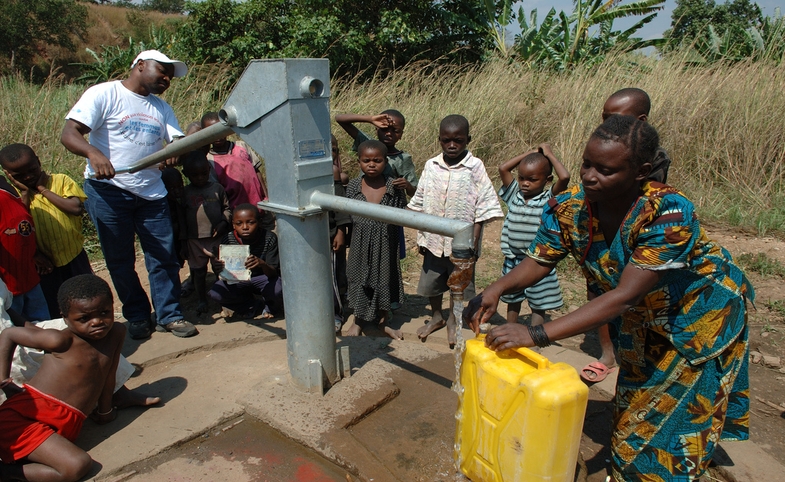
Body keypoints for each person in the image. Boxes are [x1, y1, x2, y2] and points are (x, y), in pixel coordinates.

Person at [465, 115, 752, 482]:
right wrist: (497, 287)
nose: (589, 176)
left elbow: (624, 297)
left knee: (668, 428)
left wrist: (535, 334)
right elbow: (540, 257)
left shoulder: (667, 213)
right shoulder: (572, 206)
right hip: (643, 321)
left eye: (605, 169)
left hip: (695, 323)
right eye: (586, 163)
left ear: (641, 171)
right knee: (635, 401)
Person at [60, 49, 197, 339]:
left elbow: (178, 142)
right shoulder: (103, 94)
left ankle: (168, 315)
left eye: (170, 77)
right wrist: (93, 153)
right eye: (161, 71)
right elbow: (69, 133)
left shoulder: (161, 108)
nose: (166, 79)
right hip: (108, 192)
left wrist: (173, 154)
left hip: (152, 194)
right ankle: (136, 315)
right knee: (120, 260)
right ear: (140, 65)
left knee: (163, 257)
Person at [582, 88, 674, 382]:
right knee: (599, 291)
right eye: (604, 117)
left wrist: (538, 334)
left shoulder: (661, 188)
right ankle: (608, 353)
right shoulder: (602, 151)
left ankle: (632, 358)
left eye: (615, 118)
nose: (607, 124)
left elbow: (641, 209)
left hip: (635, 244)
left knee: (626, 297)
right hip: (603, 241)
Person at [0, 275, 127, 481]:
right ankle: (5, 472)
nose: (97, 322)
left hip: (58, 424)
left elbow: (108, 374)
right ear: (65, 318)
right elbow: (9, 334)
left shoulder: (117, 332)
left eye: (104, 313)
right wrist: (3, 380)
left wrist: (105, 411)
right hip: (24, 419)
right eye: (84, 318)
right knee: (77, 465)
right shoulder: (60, 340)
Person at [408, 114, 503, 347]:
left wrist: (475, 240)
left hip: (462, 243)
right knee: (433, 282)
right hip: (433, 239)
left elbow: (483, 204)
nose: (452, 145)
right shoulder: (431, 165)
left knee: (458, 283)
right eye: (446, 140)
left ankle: (453, 319)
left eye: (458, 140)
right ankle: (437, 316)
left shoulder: (475, 166)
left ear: (467, 139)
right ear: (439, 140)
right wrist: (422, 236)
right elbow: (421, 199)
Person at [0, 144, 92, 319]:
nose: (28, 176)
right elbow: (22, 225)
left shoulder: (60, 181)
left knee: (85, 296)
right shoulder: (16, 197)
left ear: (38, 162)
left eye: (32, 170)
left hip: (73, 256)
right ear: (8, 174)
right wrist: (26, 194)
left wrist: (43, 190)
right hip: (44, 265)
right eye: (19, 176)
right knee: (54, 306)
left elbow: (75, 208)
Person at [497, 144, 569, 328]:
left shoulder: (549, 199)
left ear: (547, 180)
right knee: (513, 298)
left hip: (538, 262)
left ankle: (535, 336)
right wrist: (529, 153)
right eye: (521, 178)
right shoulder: (515, 194)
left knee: (539, 303)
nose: (525, 183)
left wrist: (549, 154)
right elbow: (503, 168)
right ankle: (510, 329)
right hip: (513, 260)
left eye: (532, 179)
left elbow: (565, 177)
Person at [344, 140, 407, 340]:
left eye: (377, 160)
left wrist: (409, 186)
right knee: (359, 276)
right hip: (359, 241)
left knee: (384, 277)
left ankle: (383, 321)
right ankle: (358, 320)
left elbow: (405, 211)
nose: (372, 164)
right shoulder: (354, 185)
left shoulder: (393, 186)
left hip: (385, 241)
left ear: (385, 161)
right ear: (359, 162)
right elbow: (346, 215)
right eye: (366, 160)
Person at [208, 204, 283, 319]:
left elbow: (274, 272)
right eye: (239, 223)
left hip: (262, 277)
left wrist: (262, 264)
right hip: (237, 279)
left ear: (259, 222)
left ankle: (269, 308)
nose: (245, 227)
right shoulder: (228, 239)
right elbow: (222, 274)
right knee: (216, 292)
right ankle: (251, 305)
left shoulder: (269, 238)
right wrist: (218, 267)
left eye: (251, 222)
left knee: (278, 288)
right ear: (233, 225)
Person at [181, 151, 231, 314]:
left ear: (209, 171)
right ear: (186, 174)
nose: (200, 178)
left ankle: (223, 298)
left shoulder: (217, 189)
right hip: (194, 240)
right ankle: (202, 299)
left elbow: (226, 208)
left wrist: (224, 222)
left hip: (217, 238)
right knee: (199, 272)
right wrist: (183, 241)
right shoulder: (185, 193)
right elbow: (181, 216)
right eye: (194, 175)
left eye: (204, 173)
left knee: (220, 269)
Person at [335, 110, 417, 196]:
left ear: (401, 134)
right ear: (376, 129)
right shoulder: (367, 145)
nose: (389, 133)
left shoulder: (403, 159)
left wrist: (407, 185)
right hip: (362, 198)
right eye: (384, 129)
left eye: (395, 131)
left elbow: (414, 192)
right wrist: (370, 119)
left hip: (389, 203)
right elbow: (339, 119)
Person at [0, 183, 49, 322]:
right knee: (15, 331)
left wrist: (33, 252)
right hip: (7, 286)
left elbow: (21, 227)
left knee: (43, 325)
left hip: (28, 277)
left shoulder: (7, 188)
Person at [201, 112, 267, 209]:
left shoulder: (241, 146)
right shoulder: (210, 160)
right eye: (212, 132)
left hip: (260, 206)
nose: (218, 136)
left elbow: (257, 172)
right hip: (238, 214)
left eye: (220, 130)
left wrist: (266, 197)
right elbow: (217, 192)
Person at [329, 135, 352, 333]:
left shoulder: (333, 172)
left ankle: (336, 313)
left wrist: (340, 230)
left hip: (330, 234)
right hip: (309, 235)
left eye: (334, 150)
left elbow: (340, 206)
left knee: (334, 276)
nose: (330, 155)